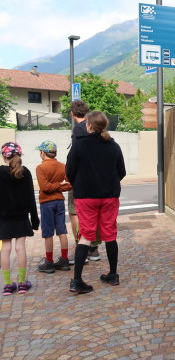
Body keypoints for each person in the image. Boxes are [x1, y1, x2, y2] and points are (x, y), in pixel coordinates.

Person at [66, 111, 126, 294]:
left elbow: (69, 171)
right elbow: (121, 171)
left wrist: (80, 184)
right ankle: (113, 275)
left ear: (89, 126)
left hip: (85, 196)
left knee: (86, 235)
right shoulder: (114, 146)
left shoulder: (79, 145)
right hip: (109, 196)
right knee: (110, 233)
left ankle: (77, 280)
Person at [0, 142, 39, 295]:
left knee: (6, 248)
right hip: (21, 216)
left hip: (3, 217)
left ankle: (8, 285)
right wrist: (35, 220)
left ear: (4, 156)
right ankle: (22, 283)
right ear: (19, 155)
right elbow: (31, 198)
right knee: (20, 247)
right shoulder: (25, 172)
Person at [68, 100, 100, 261]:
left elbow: (75, 157)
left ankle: (81, 246)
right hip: (96, 179)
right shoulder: (94, 127)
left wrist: (70, 177)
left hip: (81, 179)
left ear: (72, 113)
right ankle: (93, 248)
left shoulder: (78, 130)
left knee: (75, 212)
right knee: (93, 213)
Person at [35, 140, 73, 273]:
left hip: (46, 202)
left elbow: (44, 188)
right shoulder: (62, 166)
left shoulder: (40, 168)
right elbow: (69, 185)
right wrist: (59, 184)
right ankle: (64, 260)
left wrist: (53, 186)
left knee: (48, 233)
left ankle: (49, 262)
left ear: (42, 153)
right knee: (62, 231)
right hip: (59, 202)